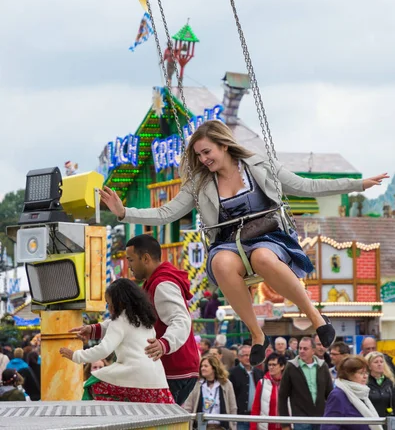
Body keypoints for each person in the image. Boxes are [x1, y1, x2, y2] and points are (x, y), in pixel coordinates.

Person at [99, 120, 387, 367]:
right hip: (228, 244)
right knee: (221, 262)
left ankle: (314, 315)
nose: (203, 160)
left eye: (207, 152)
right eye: (198, 155)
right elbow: (167, 212)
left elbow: (305, 186)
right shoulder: (200, 183)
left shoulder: (259, 166)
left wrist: (357, 184)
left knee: (263, 257)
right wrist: (124, 213)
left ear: (224, 145)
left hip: (267, 235)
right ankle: (256, 333)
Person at [70, 235, 199, 405]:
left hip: (173, 368)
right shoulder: (154, 283)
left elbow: (181, 320)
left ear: (145, 258)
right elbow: (131, 320)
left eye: (130, 260)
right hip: (173, 368)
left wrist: (164, 344)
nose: (129, 266)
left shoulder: (161, 284)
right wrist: (96, 329)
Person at [61, 278, 173, 403]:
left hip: (134, 380)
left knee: (91, 385)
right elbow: (111, 326)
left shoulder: (119, 321)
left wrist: (76, 356)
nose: (108, 308)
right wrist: (93, 329)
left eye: (109, 303)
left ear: (119, 303)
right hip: (158, 384)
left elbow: (104, 349)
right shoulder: (144, 320)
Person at [278, 336, 333, 430]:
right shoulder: (291, 367)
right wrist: (285, 424)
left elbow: (330, 395)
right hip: (300, 419)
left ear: (313, 350)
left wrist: (332, 417)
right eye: (300, 348)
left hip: (321, 418)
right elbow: (282, 396)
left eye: (305, 348)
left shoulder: (323, 366)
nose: (302, 351)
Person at [322, 356, 383, 430]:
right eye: (361, 373)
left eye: (366, 372)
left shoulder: (362, 393)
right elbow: (329, 427)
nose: (365, 376)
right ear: (348, 375)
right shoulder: (337, 395)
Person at [183, 355, 237, 430]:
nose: (202, 368)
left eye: (206, 366)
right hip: (201, 427)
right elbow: (188, 407)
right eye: (201, 366)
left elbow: (232, 408)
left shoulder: (226, 384)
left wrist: (233, 426)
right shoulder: (196, 384)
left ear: (214, 368)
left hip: (221, 427)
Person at [229, 345, 264, 430]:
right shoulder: (232, 373)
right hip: (241, 418)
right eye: (245, 355)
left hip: (257, 417)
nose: (248, 358)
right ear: (239, 357)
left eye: (250, 355)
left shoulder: (259, 373)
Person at [250, 353, 286, 430]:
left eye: (274, 365)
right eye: (269, 365)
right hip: (266, 427)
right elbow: (256, 407)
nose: (271, 367)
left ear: (282, 366)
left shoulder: (288, 383)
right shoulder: (261, 383)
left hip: (285, 427)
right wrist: (253, 427)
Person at [365, 351, 395, 417]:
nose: (379, 364)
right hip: (372, 421)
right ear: (369, 366)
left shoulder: (390, 382)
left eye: (381, 362)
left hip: (388, 421)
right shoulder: (365, 382)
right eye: (376, 362)